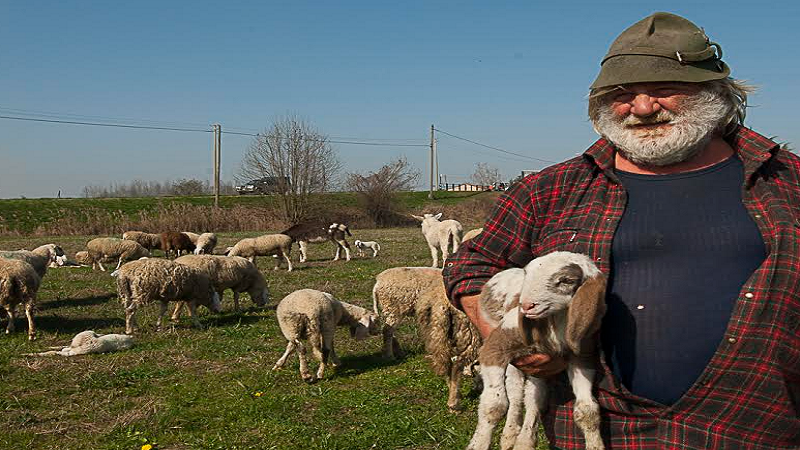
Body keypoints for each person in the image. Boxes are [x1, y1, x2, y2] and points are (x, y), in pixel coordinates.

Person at [443, 12, 800, 449]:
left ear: (715, 92)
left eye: (666, 89)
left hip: (756, 429)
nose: (643, 107)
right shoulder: (552, 188)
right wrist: (509, 334)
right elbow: (472, 263)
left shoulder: (788, 183)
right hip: (600, 431)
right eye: (622, 93)